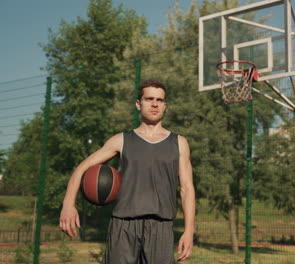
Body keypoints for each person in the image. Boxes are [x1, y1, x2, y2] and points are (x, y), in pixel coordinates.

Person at [59, 80, 195, 263]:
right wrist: (68, 204)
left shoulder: (179, 143)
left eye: (160, 100)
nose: (155, 104)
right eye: (149, 99)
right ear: (138, 104)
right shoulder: (121, 141)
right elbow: (82, 167)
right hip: (123, 226)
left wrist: (188, 230)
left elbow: (187, 189)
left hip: (160, 227)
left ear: (165, 105)